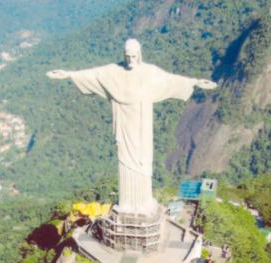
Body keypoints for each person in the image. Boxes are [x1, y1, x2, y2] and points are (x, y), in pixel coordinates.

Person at [47, 39, 216, 216]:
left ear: (139, 54)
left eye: (134, 56)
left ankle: (143, 203)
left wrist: (195, 82)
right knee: (125, 160)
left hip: (142, 127)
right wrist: (68, 74)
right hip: (124, 125)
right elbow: (94, 74)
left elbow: (170, 80)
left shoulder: (150, 72)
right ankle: (127, 204)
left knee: (142, 161)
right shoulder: (113, 72)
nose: (130, 60)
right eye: (127, 56)